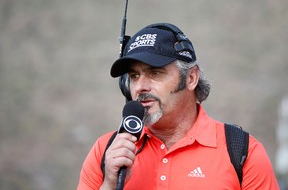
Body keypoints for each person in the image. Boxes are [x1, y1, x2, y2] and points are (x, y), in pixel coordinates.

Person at [77, 23, 279, 190]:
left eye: (155, 73)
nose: (140, 87)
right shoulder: (106, 151)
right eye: (133, 76)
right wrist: (109, 185)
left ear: (191, 78)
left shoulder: (242, 151)